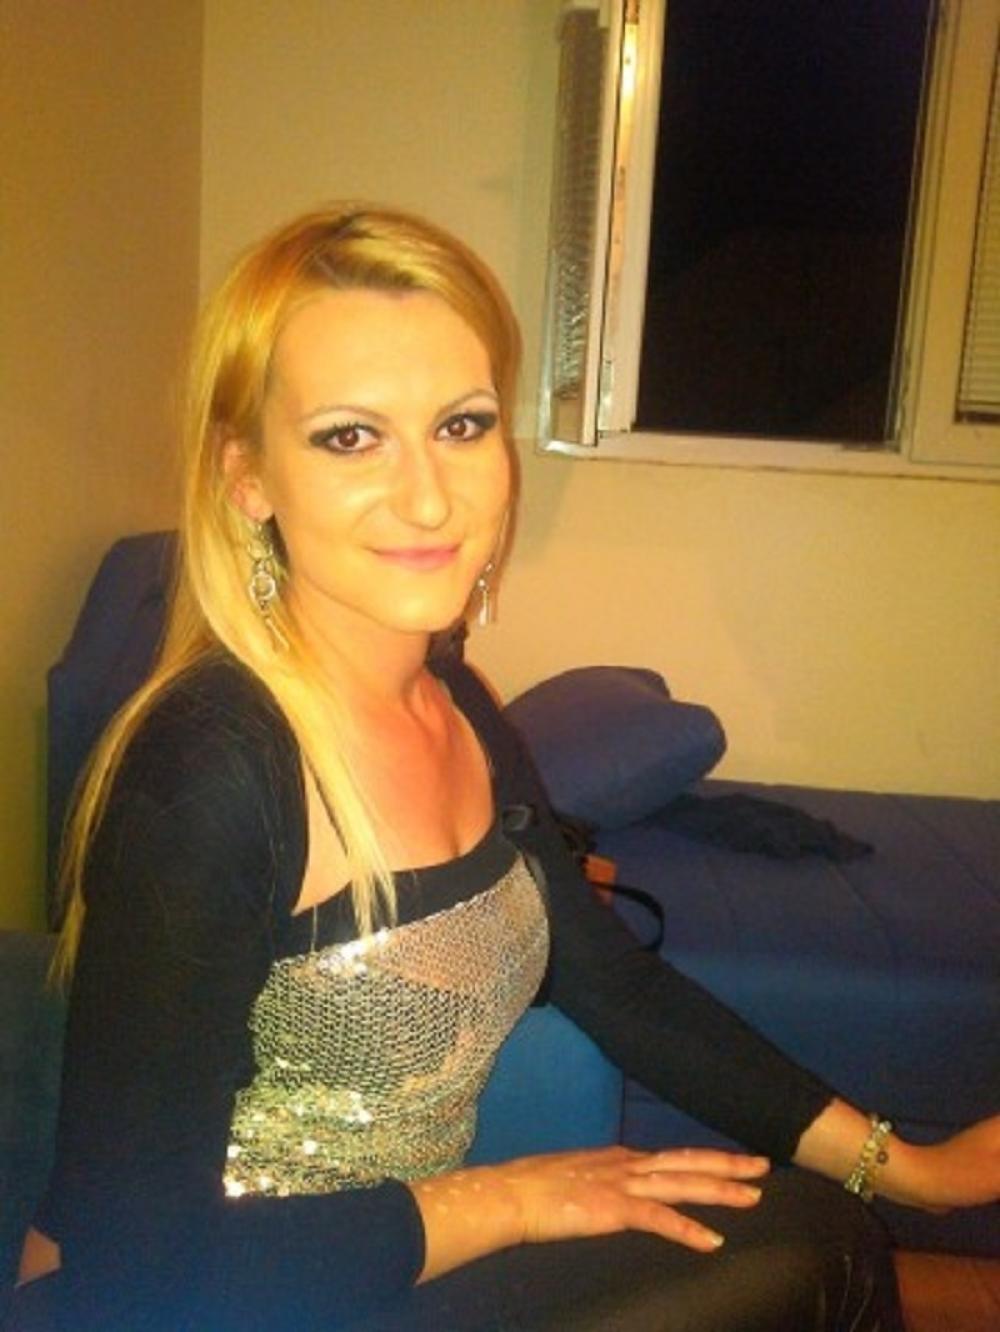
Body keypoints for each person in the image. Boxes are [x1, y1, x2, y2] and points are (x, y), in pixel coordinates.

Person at [8, 205, 999, 1331]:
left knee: (817, 1233)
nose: (431, 497)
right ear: (248, 476)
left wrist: (910, 1171)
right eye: (350, 437)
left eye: (462, 425)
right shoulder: (211, 772)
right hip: (204, 1301)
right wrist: (512, 1200)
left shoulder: (459, 706)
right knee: (806, 1257)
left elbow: (615, 985)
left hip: (389, 1262)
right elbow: (132, 1261)